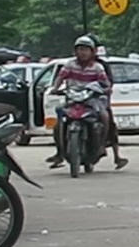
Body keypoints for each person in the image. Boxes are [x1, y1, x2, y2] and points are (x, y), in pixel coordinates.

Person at [46, 36, 126, 170]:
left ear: (92, 51)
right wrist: (55, 88)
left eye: (85, 50)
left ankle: (103, 147)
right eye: (80, 49)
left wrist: (105, 90)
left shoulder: (99, 66)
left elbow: (106, 83)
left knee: (105, 117)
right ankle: (60, 151)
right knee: (58, 121)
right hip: (73, 99)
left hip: (92, 100)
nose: (82, 53)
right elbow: (60, 77)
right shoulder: (70, 64)